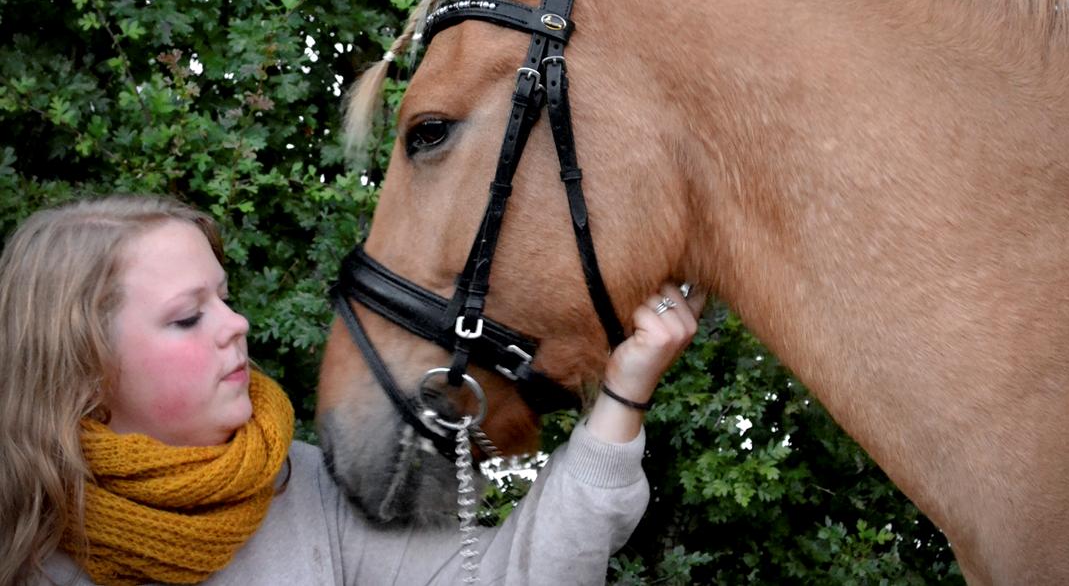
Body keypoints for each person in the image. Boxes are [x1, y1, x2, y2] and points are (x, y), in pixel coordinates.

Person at [0, 194, 701, 585]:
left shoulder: (303, 491)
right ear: (84, 371)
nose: (236, 324)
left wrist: (624, 394)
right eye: (188, 317)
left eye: (224, 297)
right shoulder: (26, 545)